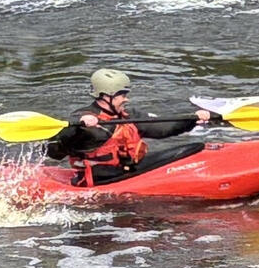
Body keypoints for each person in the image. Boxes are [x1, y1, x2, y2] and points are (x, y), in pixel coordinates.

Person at [43, 69, 217, 186]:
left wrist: (192, 118)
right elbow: (52, 151)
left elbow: (162, 128)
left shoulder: (128, 116)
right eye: (122, 95)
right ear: (105, 96)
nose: (126, 99)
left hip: (127, 170)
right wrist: (79, 126)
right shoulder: (84, 122)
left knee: (191, 149)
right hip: (102, 179)